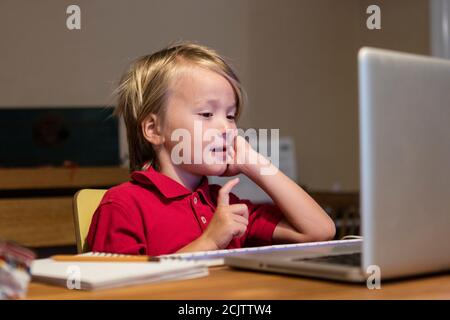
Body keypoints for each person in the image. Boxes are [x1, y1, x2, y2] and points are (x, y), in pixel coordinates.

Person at [86, 41, 335, 256]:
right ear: (154, 129)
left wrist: (255, 163)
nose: (227, 128)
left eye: (230, 115)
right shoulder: (123, 205)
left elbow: (318, 230)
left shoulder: (224, 205)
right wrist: (209, 242)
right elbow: (118, 291)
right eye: (206, 113)